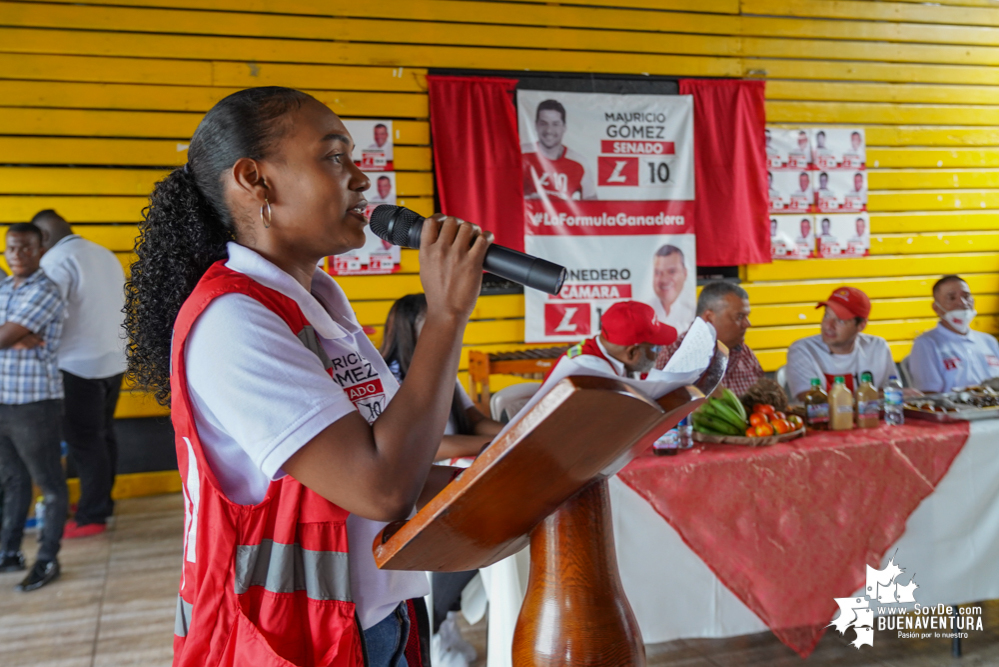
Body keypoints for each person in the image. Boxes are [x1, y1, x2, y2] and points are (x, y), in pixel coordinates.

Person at [124, 87, 492, 666]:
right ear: (256, 180)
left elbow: (397, 455)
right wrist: (445, 315)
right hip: (291, 637)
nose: (362, 179)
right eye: (334, 157)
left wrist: (534, 470)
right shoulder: (233, 320)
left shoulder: (320, 300)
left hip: (374, 616)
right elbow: (380, 487)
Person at [380, 293, 503, 667]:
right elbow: (424, 446)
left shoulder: (440, 370)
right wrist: (492, 443)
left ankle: (446, 620)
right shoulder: (391, 376)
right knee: (478, 533)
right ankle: (438, 629)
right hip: (419, 495)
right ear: (408, 331)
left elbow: (473, 417)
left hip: (456, 484)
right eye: (432, 325)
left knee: (499, 525)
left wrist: (520, 431)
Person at [32, 210, 127, 539]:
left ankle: (92, 514)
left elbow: (44, 313)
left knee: (84, 441)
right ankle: (102, 501)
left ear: (43, 237)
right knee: (103, 435)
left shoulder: (56, 262)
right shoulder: (103, 254)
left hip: (76, 365)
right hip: (114, 361)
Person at [0, 223, 68, 592]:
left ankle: (47, 559)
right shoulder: (5, 288)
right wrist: (14, 336)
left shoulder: (45, 289)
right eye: (12, 249)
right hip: (3, 401)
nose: (18, 255)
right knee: (12, 479)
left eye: (26, 248)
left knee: (50, 485)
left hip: (34, 404)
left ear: (41, 249)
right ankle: (9, 552)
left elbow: (4, 337)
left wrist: (12, 336)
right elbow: (7, 336)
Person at [786, 286, 899, 398]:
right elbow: (812, 401)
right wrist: (874, 396)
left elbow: (893, 392)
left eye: (840, 320)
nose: (828, 326)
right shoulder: (802, 349)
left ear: (861, 325)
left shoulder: (878, 346)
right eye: (826, 315)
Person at [655, 282, 763, 396]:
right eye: (739, 317)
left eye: (747, 316)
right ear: (709, 318)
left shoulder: (745, 354)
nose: (748, 324)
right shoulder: (672, 356)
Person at [909, 275, 999, 393]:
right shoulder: (926, 343)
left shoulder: (989, 341)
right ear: (936, 308)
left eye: (966, 296)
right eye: (952, 298)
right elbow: (929, 395)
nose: (962, 302)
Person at [548, 300, 676, 380]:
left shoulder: (615, 354)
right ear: (631, 352)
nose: (659, 354)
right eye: (656, 348)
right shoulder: (589, 373)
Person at [522, 99, 596, 201]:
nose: (549, 130)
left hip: (564, 217)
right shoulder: (521, 154)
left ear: (564, 127)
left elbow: (593, 206)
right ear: (536, 125)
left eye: (555, 124)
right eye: (543, 123)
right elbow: (503, 194)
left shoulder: (579, 163)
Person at [650, 244, 695, 334]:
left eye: (672, 272)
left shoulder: (695, 313)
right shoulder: (644, 312)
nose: (664, 279)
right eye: (658, 273)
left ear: (685, 273)